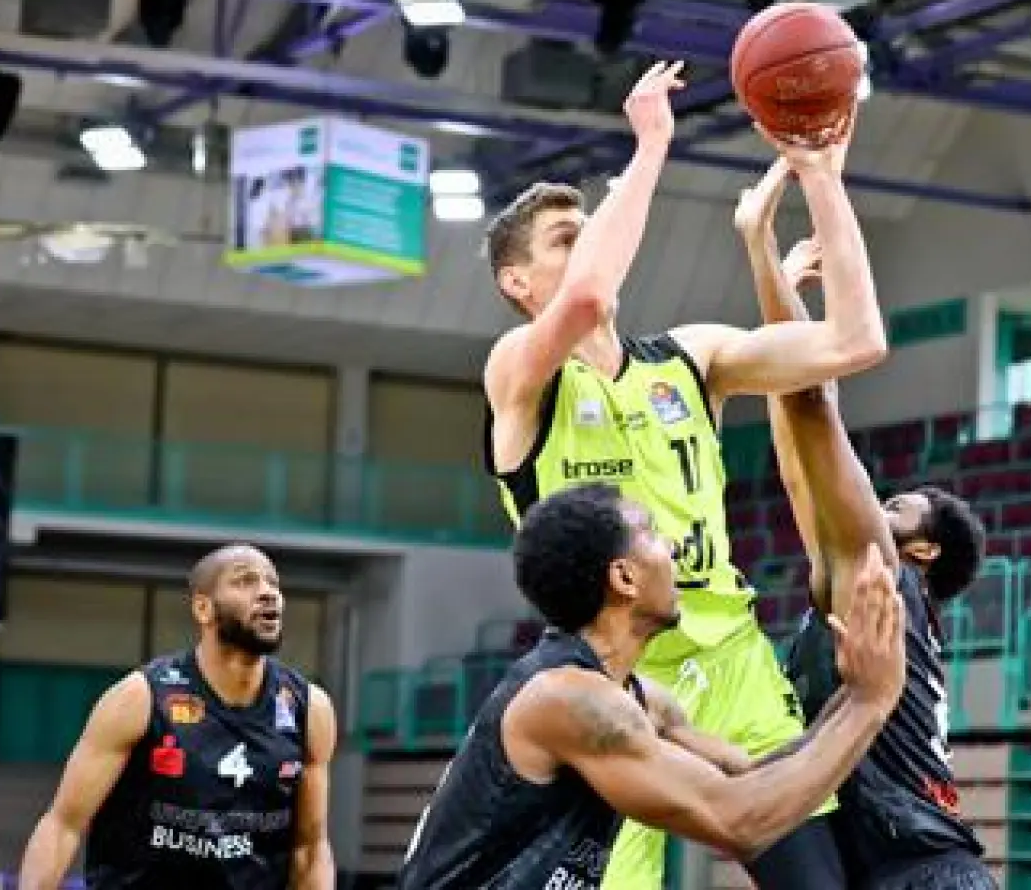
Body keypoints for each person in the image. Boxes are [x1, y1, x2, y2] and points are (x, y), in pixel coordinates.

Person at [480, 58, 884, 890]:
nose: (590, 245)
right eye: (568, 238)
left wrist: (818, 174)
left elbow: (854, 340)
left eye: (591, 229)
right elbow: (587, 301)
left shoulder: (689, 359)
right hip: (613, 679)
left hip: (731, 658)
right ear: (516, 283)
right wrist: (652, 144)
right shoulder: (520, 373)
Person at [396, 482, 906, 889]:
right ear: (624, 578)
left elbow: (748, 777)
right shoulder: (567, 701)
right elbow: (738, 823)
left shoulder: (633, 697)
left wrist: (854, 692)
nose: (676, 548)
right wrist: (869, 702)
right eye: (655, 536)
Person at [733, 159, 997, 888]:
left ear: (921, 549)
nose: (876, 505)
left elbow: (815, 409)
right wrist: (762, 256)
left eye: (895, 509)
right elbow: (798, 456)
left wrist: (806, 199)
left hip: (927, 873)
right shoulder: (860, 595)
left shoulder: (890, 591)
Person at [17, 544, 337, 890]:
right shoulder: (140, 697)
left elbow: (310, 848)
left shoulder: (309, 708)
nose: (268, 593)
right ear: (203, 608)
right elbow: (63, 825)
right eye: (245, 581)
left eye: (273, 584)